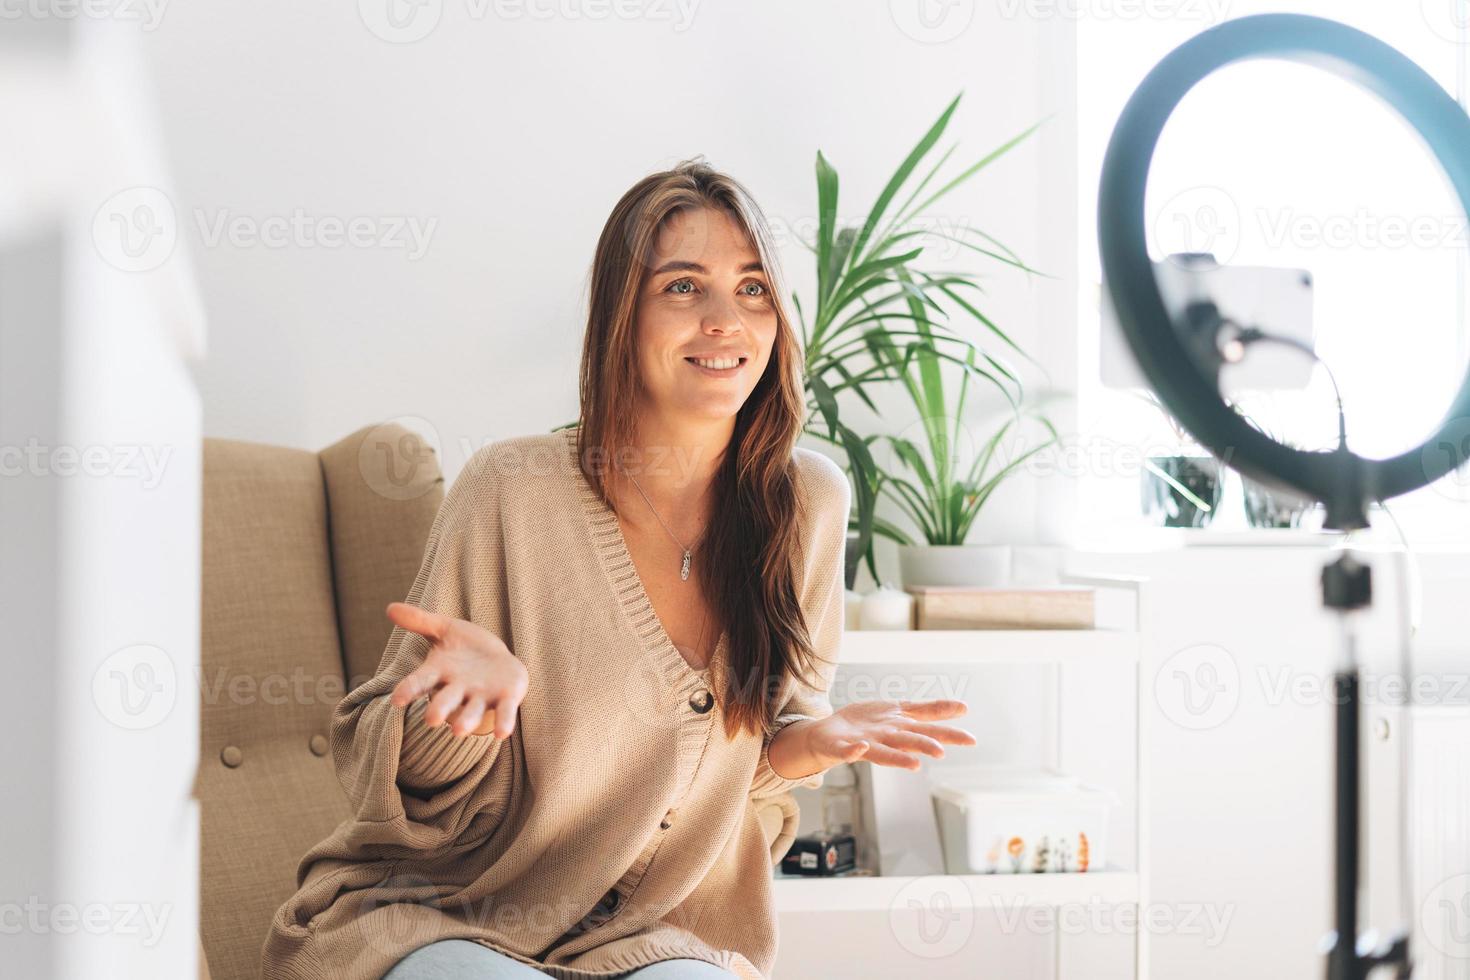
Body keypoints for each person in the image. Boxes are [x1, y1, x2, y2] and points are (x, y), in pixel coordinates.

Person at [260, 159, 976, 980]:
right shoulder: (512, 488)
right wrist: (454, 717)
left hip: (654, 931)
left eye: (751, 289)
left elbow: (741, 780)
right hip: (443, 911)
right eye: (682, 287)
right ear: (621, 315)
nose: (725, 321)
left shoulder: (805, 502)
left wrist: (805, 746)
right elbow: (386, 779)